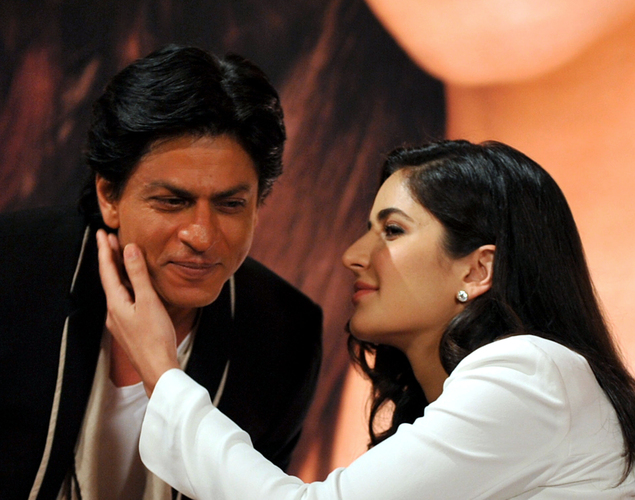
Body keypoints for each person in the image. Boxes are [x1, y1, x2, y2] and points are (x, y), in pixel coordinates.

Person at [99, 139, 635, 498]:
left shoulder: (530, 373)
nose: (353, 255)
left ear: (478, 269)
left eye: (392, 230)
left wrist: (162, 372)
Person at [0, 44, 322, 500]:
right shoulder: (14, 271)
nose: (202, 235)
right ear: (109, 195)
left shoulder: (283, 334)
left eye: (231, 204)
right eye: (172, 202)